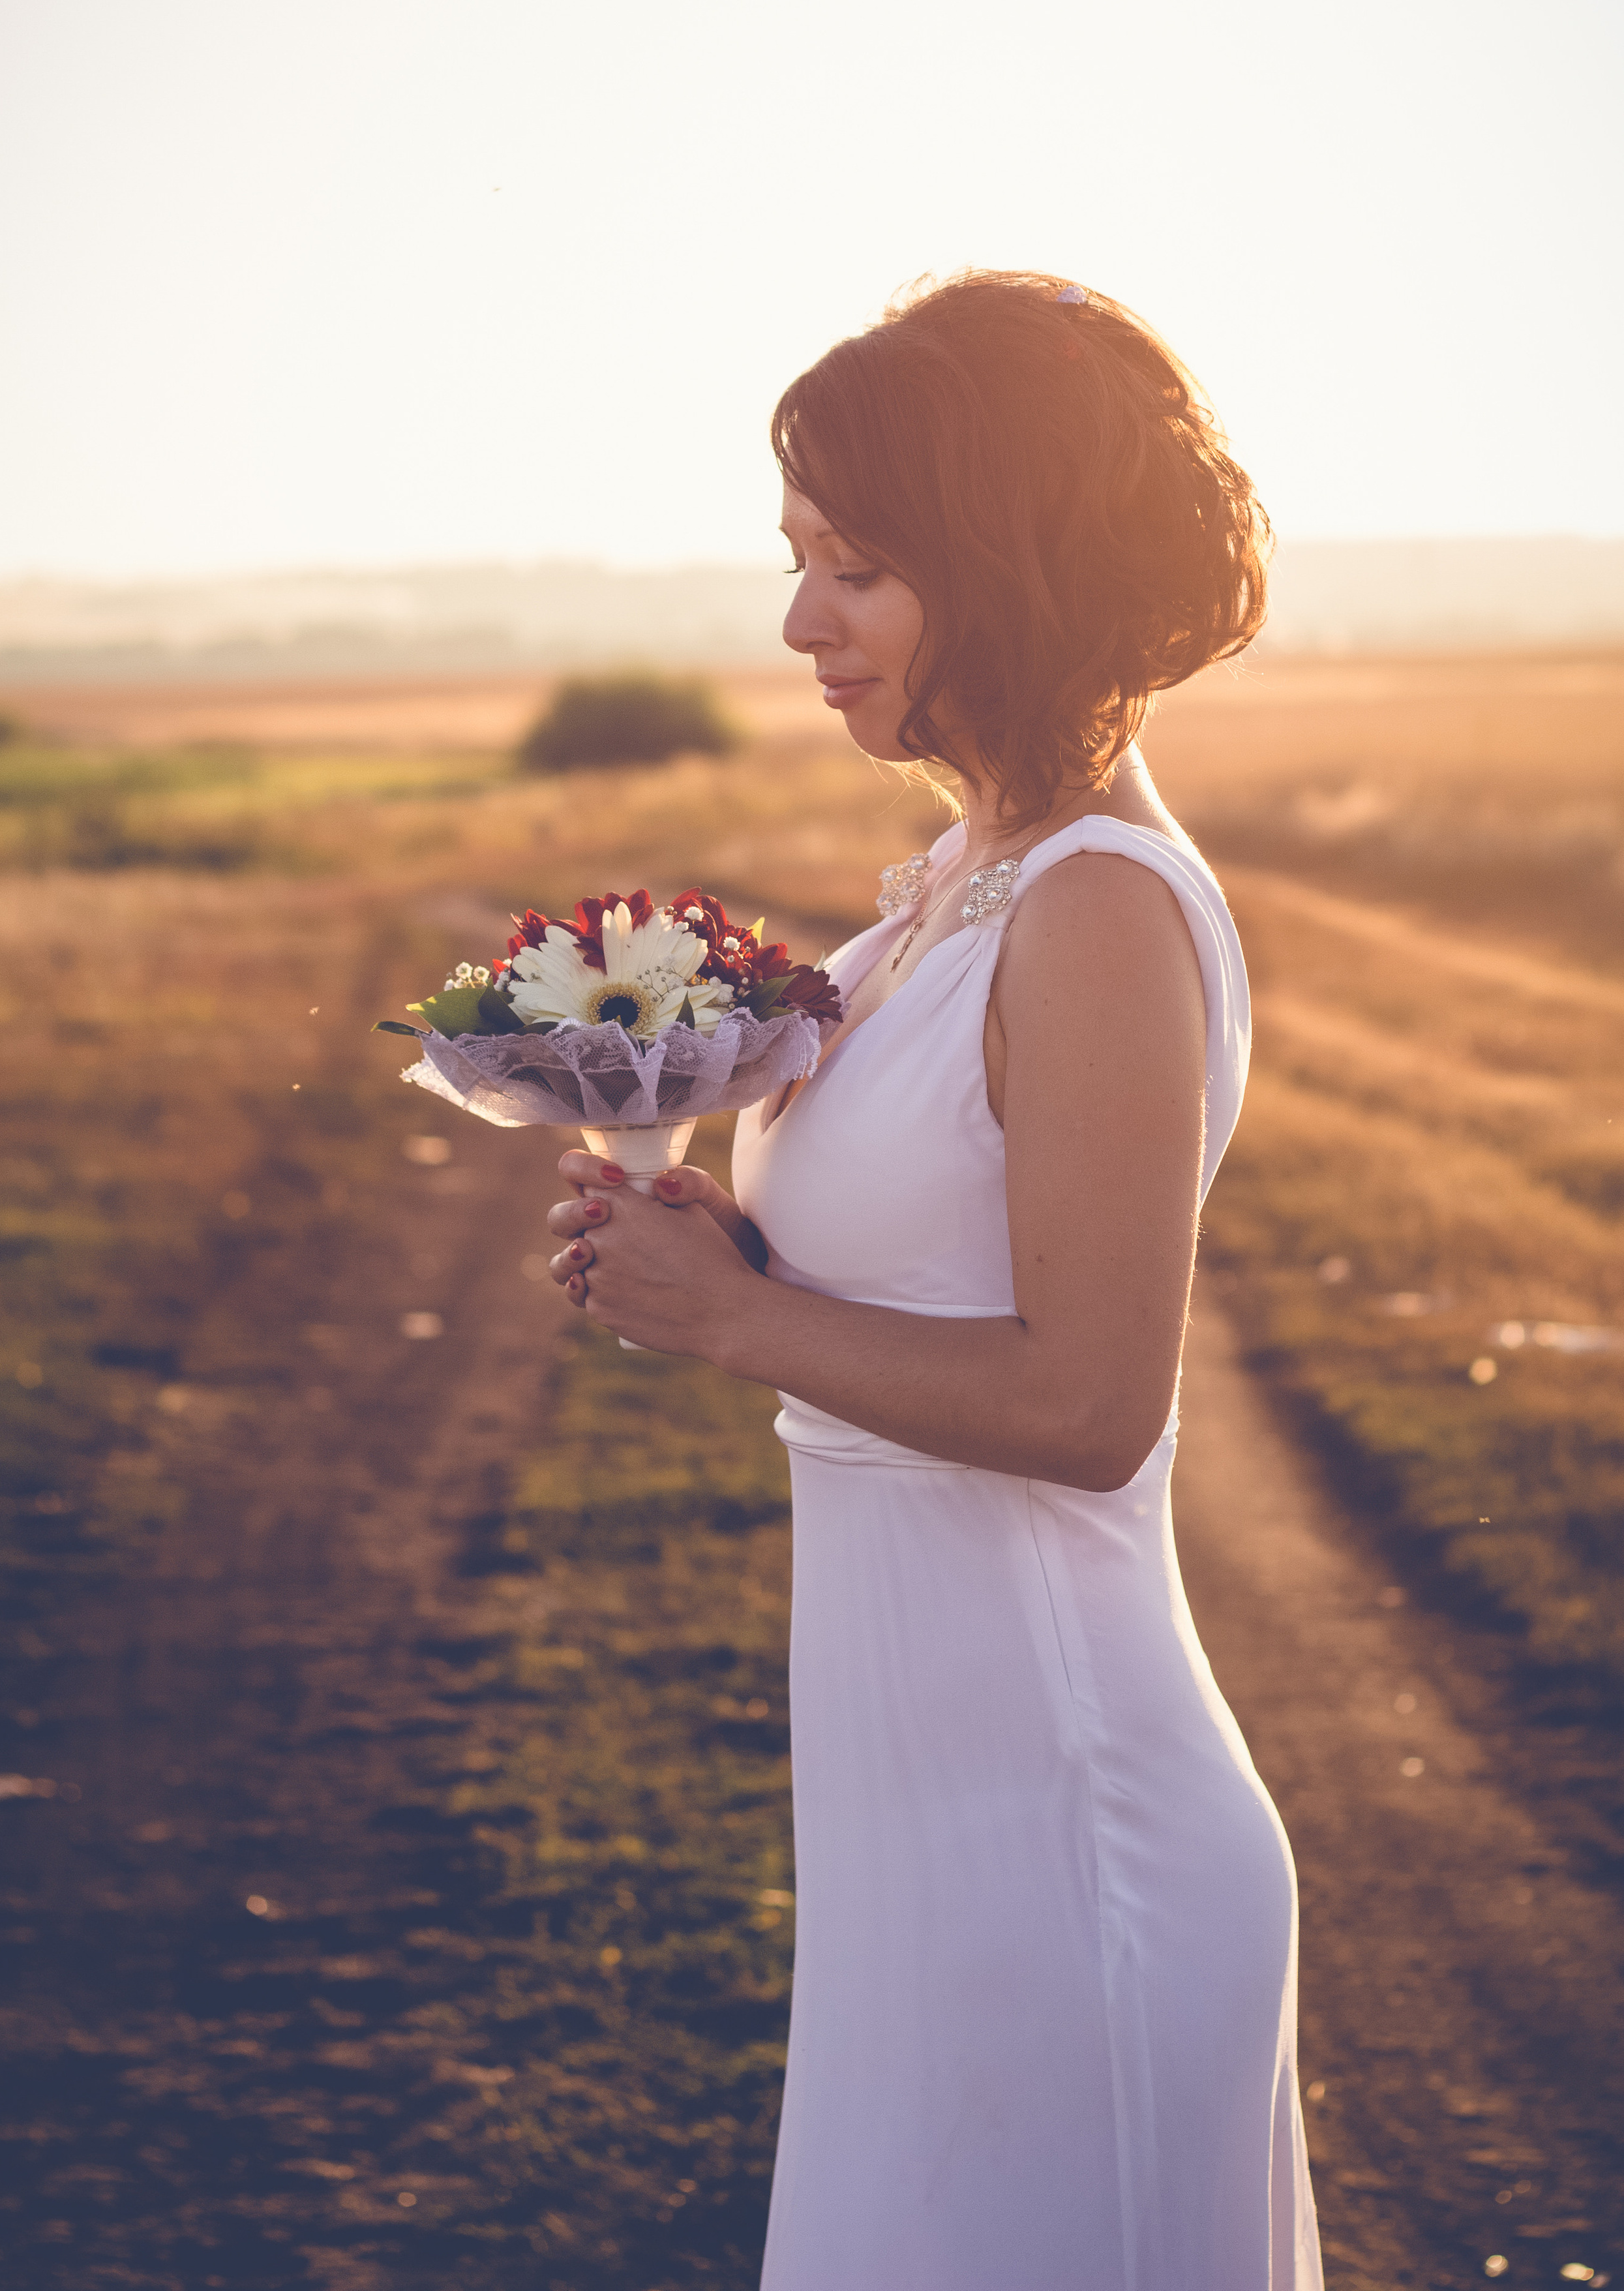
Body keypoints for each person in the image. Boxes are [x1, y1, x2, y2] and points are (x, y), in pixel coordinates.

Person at [543, 270, 1323, 2290]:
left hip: (1068, 1833)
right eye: (799, 563)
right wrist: (725, 1248)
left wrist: (740, 1323)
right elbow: (932, 1278)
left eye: (860, 571)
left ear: (1011, 568)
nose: (801, 626)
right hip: (921, 1827)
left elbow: (1090, 1407)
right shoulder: (943, 899)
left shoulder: (1096, 913)